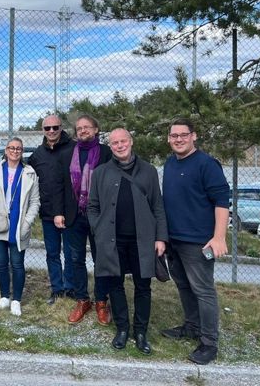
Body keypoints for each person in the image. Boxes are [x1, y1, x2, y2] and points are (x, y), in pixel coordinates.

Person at [87, 128, 168, 354]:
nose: (120, 145)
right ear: (110, 146)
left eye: (123, 141)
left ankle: (141, 332)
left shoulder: (149, 171)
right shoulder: (101, 172)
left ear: (131, 142)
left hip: (142, 241)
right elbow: (92, 206)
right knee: (115, 284)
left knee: (143, 286)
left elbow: (157, 206)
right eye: (115, 143)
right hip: (112, 241)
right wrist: (98, 229)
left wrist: (161, 237)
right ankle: (122, 328)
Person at [160, 118, 230, 365]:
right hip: (174, 239)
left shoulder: (207, 164)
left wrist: (219, 237)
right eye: (174, 136)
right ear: (169, 139)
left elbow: (222, 202)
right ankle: (191, 327)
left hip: (198, 242)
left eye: (183, 135)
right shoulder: (170, 163)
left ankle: (209, 343)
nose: (178, 139)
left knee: (203, 290)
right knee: (183, 285)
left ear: (194, 136)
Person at [53, 114, 112, 325]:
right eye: (79, 128)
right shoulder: (67, 153)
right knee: (76, 258)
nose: (83, 131)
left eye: (87, 127)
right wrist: (58, 212)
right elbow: (60, 185)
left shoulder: (106, 153)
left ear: (96, 130)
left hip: (100, 216)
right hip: (74, 215)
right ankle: (82, 299)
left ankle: (101, 301)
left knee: (100, 259)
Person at [0, 137, 40, 316]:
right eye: (11, 148)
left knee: (17, 264)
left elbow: (35, 202)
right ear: (6, 150)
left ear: (22, 151)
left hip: (18, 225)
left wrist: (27, 222)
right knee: (1, 264)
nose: (15, 151)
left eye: (18, 148)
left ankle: (16, 300)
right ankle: (5, 296)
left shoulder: (29, 172)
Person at [27, 115, 75, 304]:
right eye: (47, 128)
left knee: (71, 253)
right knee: (52, 253)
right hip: (48, 213)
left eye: (55, 127)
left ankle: (71, 287)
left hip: (70, 212)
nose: (52, 131)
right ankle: (57, 289)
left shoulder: (73, 149)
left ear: (61, 127)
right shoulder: (38, 155)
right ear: (43, 130)